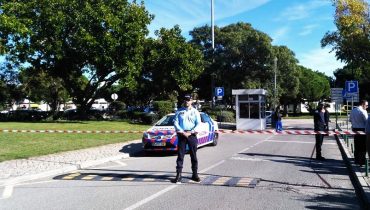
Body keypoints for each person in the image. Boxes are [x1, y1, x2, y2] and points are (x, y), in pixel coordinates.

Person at [173, 94, 202, 184]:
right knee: (180, 155)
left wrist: (192, 132)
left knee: (193, 155)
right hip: (182, 135)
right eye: (185, 100)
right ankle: (178, 175)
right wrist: (182, 132)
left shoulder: (195, 112)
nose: (187, 101)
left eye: (188, 100)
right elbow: (175, 122)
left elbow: (198, 123)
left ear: (191, 101)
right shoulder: (179, 111)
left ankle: (195, 174)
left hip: (192, 135)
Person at [350, 100, 368, 166]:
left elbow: (350, 120)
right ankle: (362, 161)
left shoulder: (353, 110)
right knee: (363, 146)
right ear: (363, 104)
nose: (367, 107)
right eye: (366, 105)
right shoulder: (363, 111)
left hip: (354, 129)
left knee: (356, 144)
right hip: (362, 129)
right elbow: (367, 121)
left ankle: (356, 160)